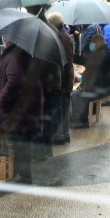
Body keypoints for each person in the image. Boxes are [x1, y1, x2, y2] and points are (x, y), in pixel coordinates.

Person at [0, 37, 43, 184]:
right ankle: (22, 174)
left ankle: (24, 175)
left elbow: (15, 80)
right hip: (22, 108)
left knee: (20, 142)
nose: (4, 38)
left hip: (18, 109)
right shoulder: (18, 53)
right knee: (20, 141)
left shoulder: (15, 56)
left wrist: (2, 97)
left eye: (7, 36)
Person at [25, 5, 61, 161]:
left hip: (41, 79)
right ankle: (48, 147)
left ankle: (40, 151)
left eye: (27, 10)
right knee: (47, 115)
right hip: (52, 78)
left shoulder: (35, 29)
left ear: (32, 11)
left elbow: (36, 58)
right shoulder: (52, 28)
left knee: (38, 115)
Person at [71, 34, 110, 129]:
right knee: (82, 90)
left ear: (99, 43)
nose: (91, 44)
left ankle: (82, 121)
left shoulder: (102, 54)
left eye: (93, 42)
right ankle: (87, 113)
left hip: (103, 88)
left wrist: (73, 57)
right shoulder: (103, 51)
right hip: (106, 85)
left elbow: (88, 62)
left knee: (75, 95)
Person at [47, 12, 74, 144]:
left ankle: (59, 136)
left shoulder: (56, 36)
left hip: (60, 76)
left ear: (52, 22)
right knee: (64, 105)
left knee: (57, 107)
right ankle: (65, 133)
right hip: (67, 75)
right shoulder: (67, 36)